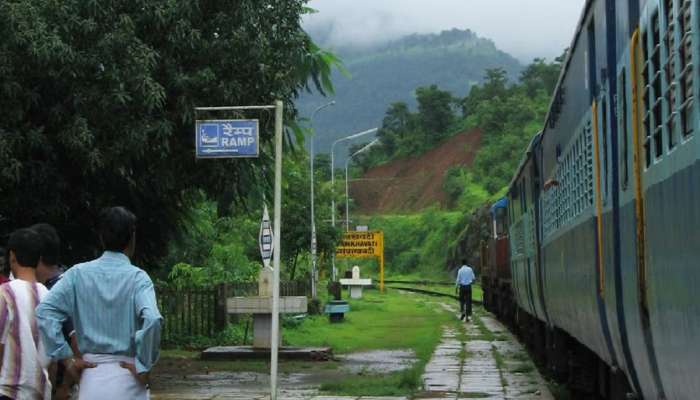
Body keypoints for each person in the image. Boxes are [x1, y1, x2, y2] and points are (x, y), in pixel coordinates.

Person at [37, 207, 162, 400]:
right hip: (129, 376)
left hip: (91, 377)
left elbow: (45, 311)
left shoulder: (77, 274)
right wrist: (144, 364)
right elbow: (152, 319)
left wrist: (66, 359)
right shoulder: (139, 279)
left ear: (101, 237)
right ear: (132, 238)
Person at [0, 228, 52, 399]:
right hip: (40, 392)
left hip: (8, 392)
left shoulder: (5, 292)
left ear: (12, 256)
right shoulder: (49, 296)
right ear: (38, 260)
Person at [31, 223, 80, 399]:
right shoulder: (68, 281)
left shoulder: (56, 290)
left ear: (37, 256)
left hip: (62, 389)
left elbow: (76, 341)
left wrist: (65, 385)